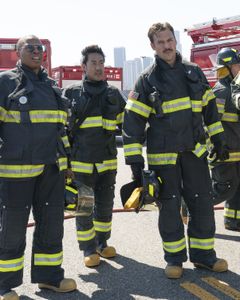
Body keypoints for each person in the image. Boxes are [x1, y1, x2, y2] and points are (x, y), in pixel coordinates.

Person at [122, 22, 229, 279]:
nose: (167, 46)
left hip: (195, 154)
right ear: (153, 46)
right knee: (169, 209)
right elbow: (133, 122)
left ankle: (205, 257)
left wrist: (219, 140)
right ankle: (174, 259)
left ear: (175, 41)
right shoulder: (147, 80)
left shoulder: (194, 72)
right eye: (161, 42)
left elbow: (210, 110)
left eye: (169, 40)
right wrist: (135, 162)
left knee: (202, 203)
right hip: (164, 158)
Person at [0, 35, 77, 300]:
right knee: (11, 229)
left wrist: (67, 165)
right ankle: (4, 285)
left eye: (39, 48)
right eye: (30, 48)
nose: (36, 51)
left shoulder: (51, 86)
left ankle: (49, 277)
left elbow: (61, 130)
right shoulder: (5, 82)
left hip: (51, 170)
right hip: (14, 172)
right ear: (18, 52)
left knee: (52, 226)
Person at [63, 45, 126, 268]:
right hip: (81, 164)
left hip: (107, 164)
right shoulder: (72, 93)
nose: (99, 67)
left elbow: (128, 126)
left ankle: (102, 243)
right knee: (85, 207)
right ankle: (88, 249)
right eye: (94, 63)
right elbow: (62, 130)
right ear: (84, 66)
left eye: (101, 63)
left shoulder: (114, 94)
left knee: (105, 207)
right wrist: (65, 164)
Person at [211, 48, 240, 231]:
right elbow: (209, 124)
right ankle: (190, 207)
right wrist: (215, 147)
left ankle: (233, 220)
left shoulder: (235, 89)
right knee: (224, 188)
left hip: (237, 151)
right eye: (237, 65)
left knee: (237, 188)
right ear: (228, 68)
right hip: (225, 152)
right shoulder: (220, 92)